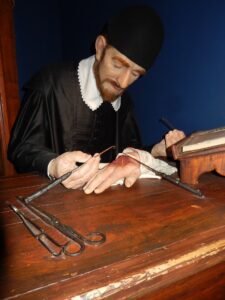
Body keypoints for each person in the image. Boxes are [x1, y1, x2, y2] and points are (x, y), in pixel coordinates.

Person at [8, 5, 185, 194]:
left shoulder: (125, 104)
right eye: (118, 65)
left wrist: (155, 152)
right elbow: (21, 148)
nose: (124, 83)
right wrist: (52, 165)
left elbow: (124, 156)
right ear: (100, 47)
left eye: (135, 74)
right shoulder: (51, 82)